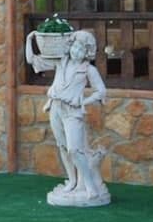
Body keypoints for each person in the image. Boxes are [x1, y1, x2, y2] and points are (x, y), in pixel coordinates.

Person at [25, 29, 109, 206]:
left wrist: (84, 101)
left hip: (73, 111)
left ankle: (90, 186)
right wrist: (29, 40)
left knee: (75, 149)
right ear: (70, 46)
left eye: (81, 49)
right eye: (75, 47)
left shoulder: (89, 70)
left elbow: (101, 91)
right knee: (62, 147)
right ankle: (72, 181)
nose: (76, 52)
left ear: (87, 52)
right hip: (55, 107)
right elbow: (32, 60)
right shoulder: (60, 62)